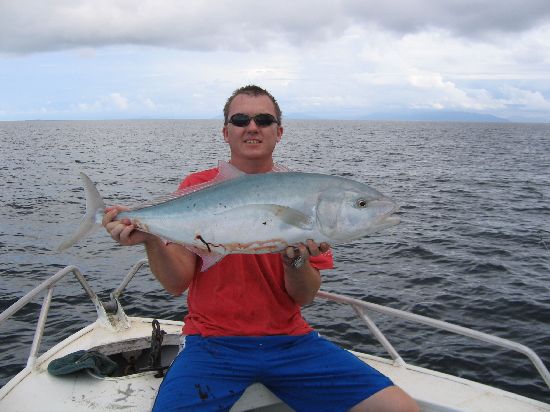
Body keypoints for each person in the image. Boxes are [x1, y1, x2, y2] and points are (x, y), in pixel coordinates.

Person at [103, 85, 419, 412]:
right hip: (211, 345)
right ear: (226, 132)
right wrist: (152, 238)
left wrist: (294, 261)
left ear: (278, 132)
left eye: (264, 120)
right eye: (240, 119)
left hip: (291, 343)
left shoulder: (307, 198)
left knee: (400, 409)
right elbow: (175, 284)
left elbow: (304, 297)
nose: (252, 127)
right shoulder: (195, 187)